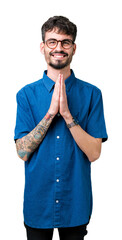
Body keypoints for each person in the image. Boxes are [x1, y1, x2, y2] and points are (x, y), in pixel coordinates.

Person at [14, 16, 108, 240]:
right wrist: (50, 114)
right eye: (52, 41)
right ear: (42, 47)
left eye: (65, 42)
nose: (59, 48)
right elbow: (22, 152)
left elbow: (94, 153)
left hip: (76, 203)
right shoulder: (26, 95)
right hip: (38, 204)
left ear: (73, 48)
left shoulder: (92, 94)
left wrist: (66, 114)